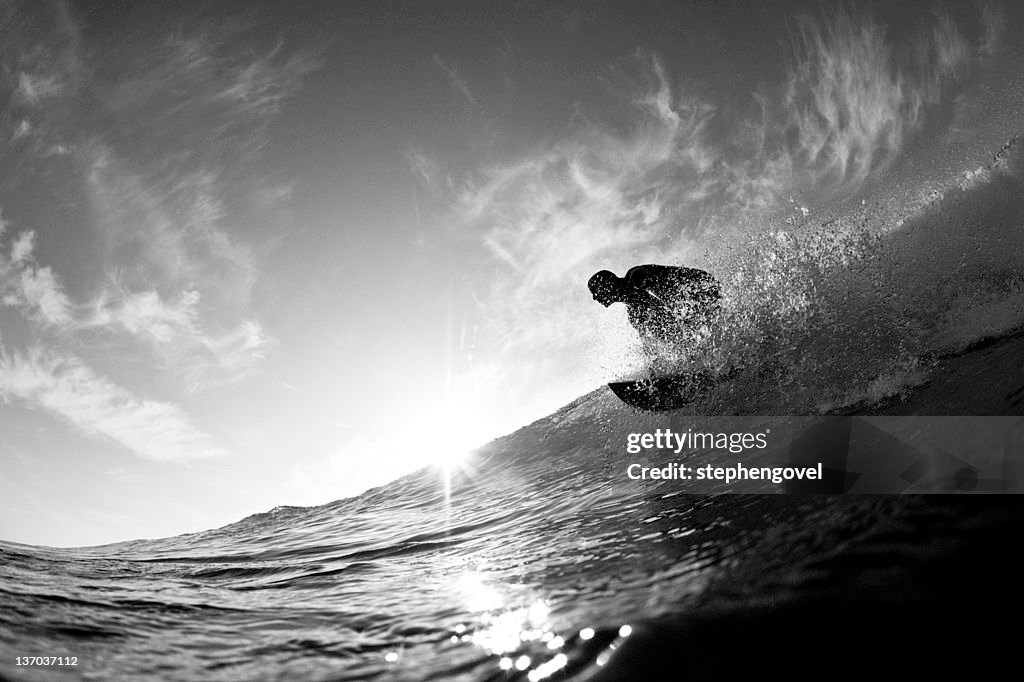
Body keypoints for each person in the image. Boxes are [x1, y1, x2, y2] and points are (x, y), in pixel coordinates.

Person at [588, 264, 721, 356]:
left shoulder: (636, 277)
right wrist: (653, 377)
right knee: (658, 328)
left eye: (595, 290)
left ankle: (707, 352)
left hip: (702, 285)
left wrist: (682, 320)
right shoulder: (635, 314)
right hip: (694, 298)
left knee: (666, 320)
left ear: (608, 284)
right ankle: (702, 355)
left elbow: (668, 295)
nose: (594, 297)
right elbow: (649, 348)